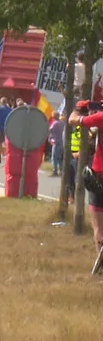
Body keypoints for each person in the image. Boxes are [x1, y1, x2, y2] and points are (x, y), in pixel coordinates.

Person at [69, 100, 103, 250]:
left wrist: (78, 109)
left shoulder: (101, 117)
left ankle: (100, 263)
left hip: (99, 176)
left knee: (99, 227)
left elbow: (72, 120)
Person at [48, 111, 64, 176]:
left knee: (54, 157)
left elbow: (49, 130)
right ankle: (61, 170)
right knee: (60, 157)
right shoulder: (62, 123)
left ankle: (55, 171)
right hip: (62, 141)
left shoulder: (55, 123)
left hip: (56, 142)